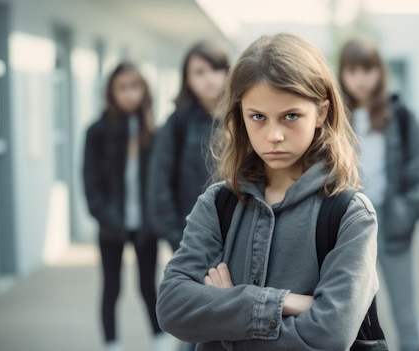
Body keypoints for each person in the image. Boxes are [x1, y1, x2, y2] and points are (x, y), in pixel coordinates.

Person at [156, 33, 380, 350]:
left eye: (290, 116)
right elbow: (171, 307)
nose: (274, 135)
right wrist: (282, 303)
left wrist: (226, 313)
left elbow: (329, 335)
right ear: (241, 117)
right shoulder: (218, 204)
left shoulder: (350, 214)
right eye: (258, 117)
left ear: (320, 112)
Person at [338, 37, 419, 351]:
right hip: (348, 229)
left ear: (379, 72)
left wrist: (407, 213)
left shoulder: (401, 114)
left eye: (367, 70)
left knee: (406, 318)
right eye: (353, 70)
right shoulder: (333, 116)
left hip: (393, 225)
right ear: (342, 73)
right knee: (350, 322)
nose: (361, 79)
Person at [83, 62, 170, 351]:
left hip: (146, 226)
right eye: (122, 88)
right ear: (111, 92)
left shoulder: (154, 132)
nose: (129, 94)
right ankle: (111, 344)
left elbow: (160, 182)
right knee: (111, 288)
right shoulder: (97, 131)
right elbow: (90, 182)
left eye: (135, 86)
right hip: (112, 226)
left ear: (144, 90)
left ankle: (160, 340)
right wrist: (106, 217)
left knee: (148, 287)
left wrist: (154, 220)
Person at [148, 41, 229, 253]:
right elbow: (159, 187)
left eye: (216, 69)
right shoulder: (177, 124)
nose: (209, 78)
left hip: (237, 236)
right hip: (192, 237)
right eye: (199, 72)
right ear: (187, 79)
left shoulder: (243, 118)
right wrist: (179, 240)